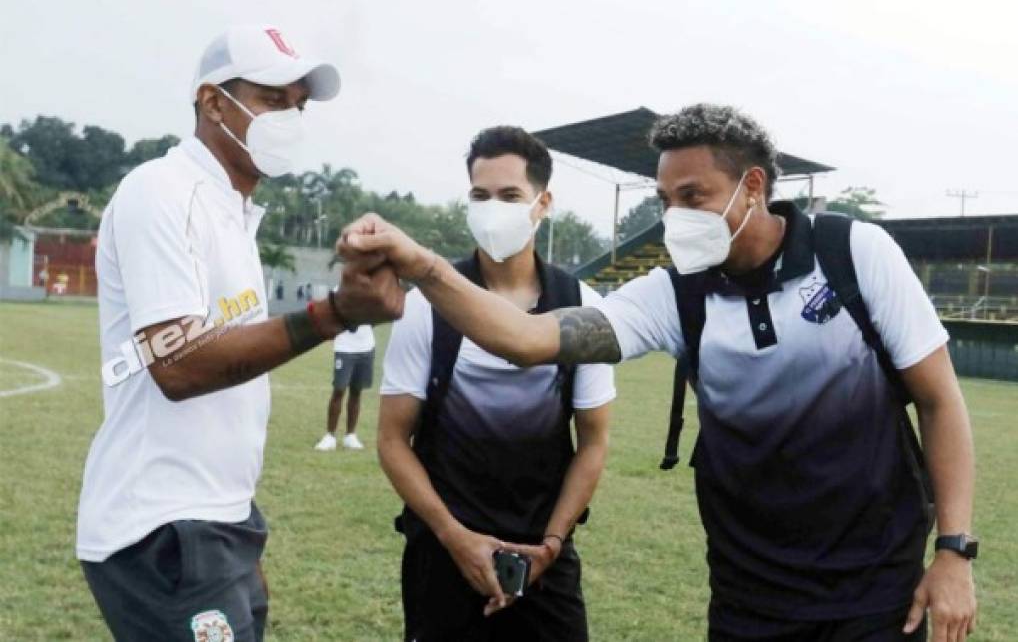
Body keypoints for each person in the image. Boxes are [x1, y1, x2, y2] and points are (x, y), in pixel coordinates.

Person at [339, 104, 978, 641]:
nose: (676, 216)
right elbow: (531, 340)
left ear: (753, 186)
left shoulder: (853, 255)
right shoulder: (677, 295)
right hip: (746, 597)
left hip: (878, 592)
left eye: (693, 196)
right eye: (666, 199)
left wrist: (953, 551)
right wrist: (424, 266)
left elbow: (941, 401)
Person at [77, 24, 402, 641]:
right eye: (272, 98)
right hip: (161, 527)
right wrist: (332, 315)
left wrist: (242, 533)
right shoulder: (162, 191)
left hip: (218, 521)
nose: (289, 117)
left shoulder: (231, 209)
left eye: (298, 105)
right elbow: (178, 365)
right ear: (211, 101)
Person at [377, 126, 614, 641]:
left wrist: (552, 543)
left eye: (510, 196)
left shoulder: (584, 308)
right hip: (442, 553)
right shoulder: (427, 306)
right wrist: (452, 535)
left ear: (542, 202)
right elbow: (393, 439)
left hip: (543, 557)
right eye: (480, 196)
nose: (492, 208)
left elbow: (593, 442)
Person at [314, 324, 376, 451]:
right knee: (339, 390)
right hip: (344, 347)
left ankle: (350, 435)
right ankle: (330, 436)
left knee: (356, 391)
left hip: (366, 347)